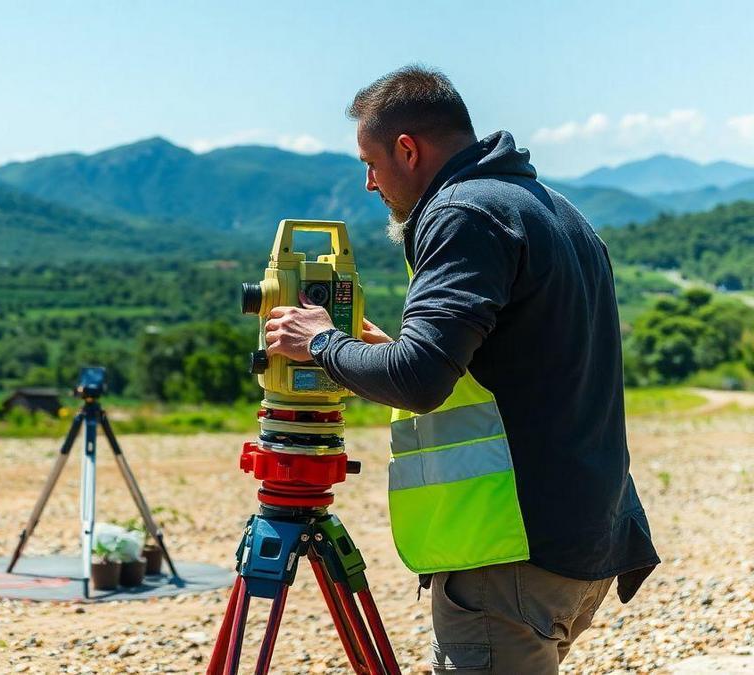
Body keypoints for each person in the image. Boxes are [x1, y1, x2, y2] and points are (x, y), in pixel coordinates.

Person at [263, 65, 659, 674]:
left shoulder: (464, 214)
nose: (370, 183)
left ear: (407, 149)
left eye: (370, 163)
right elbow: (511, 368)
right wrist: (374, 356)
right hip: (582, 536)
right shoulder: (552, 209)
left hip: (512, 551)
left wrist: (320, 343)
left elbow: (420, 378)